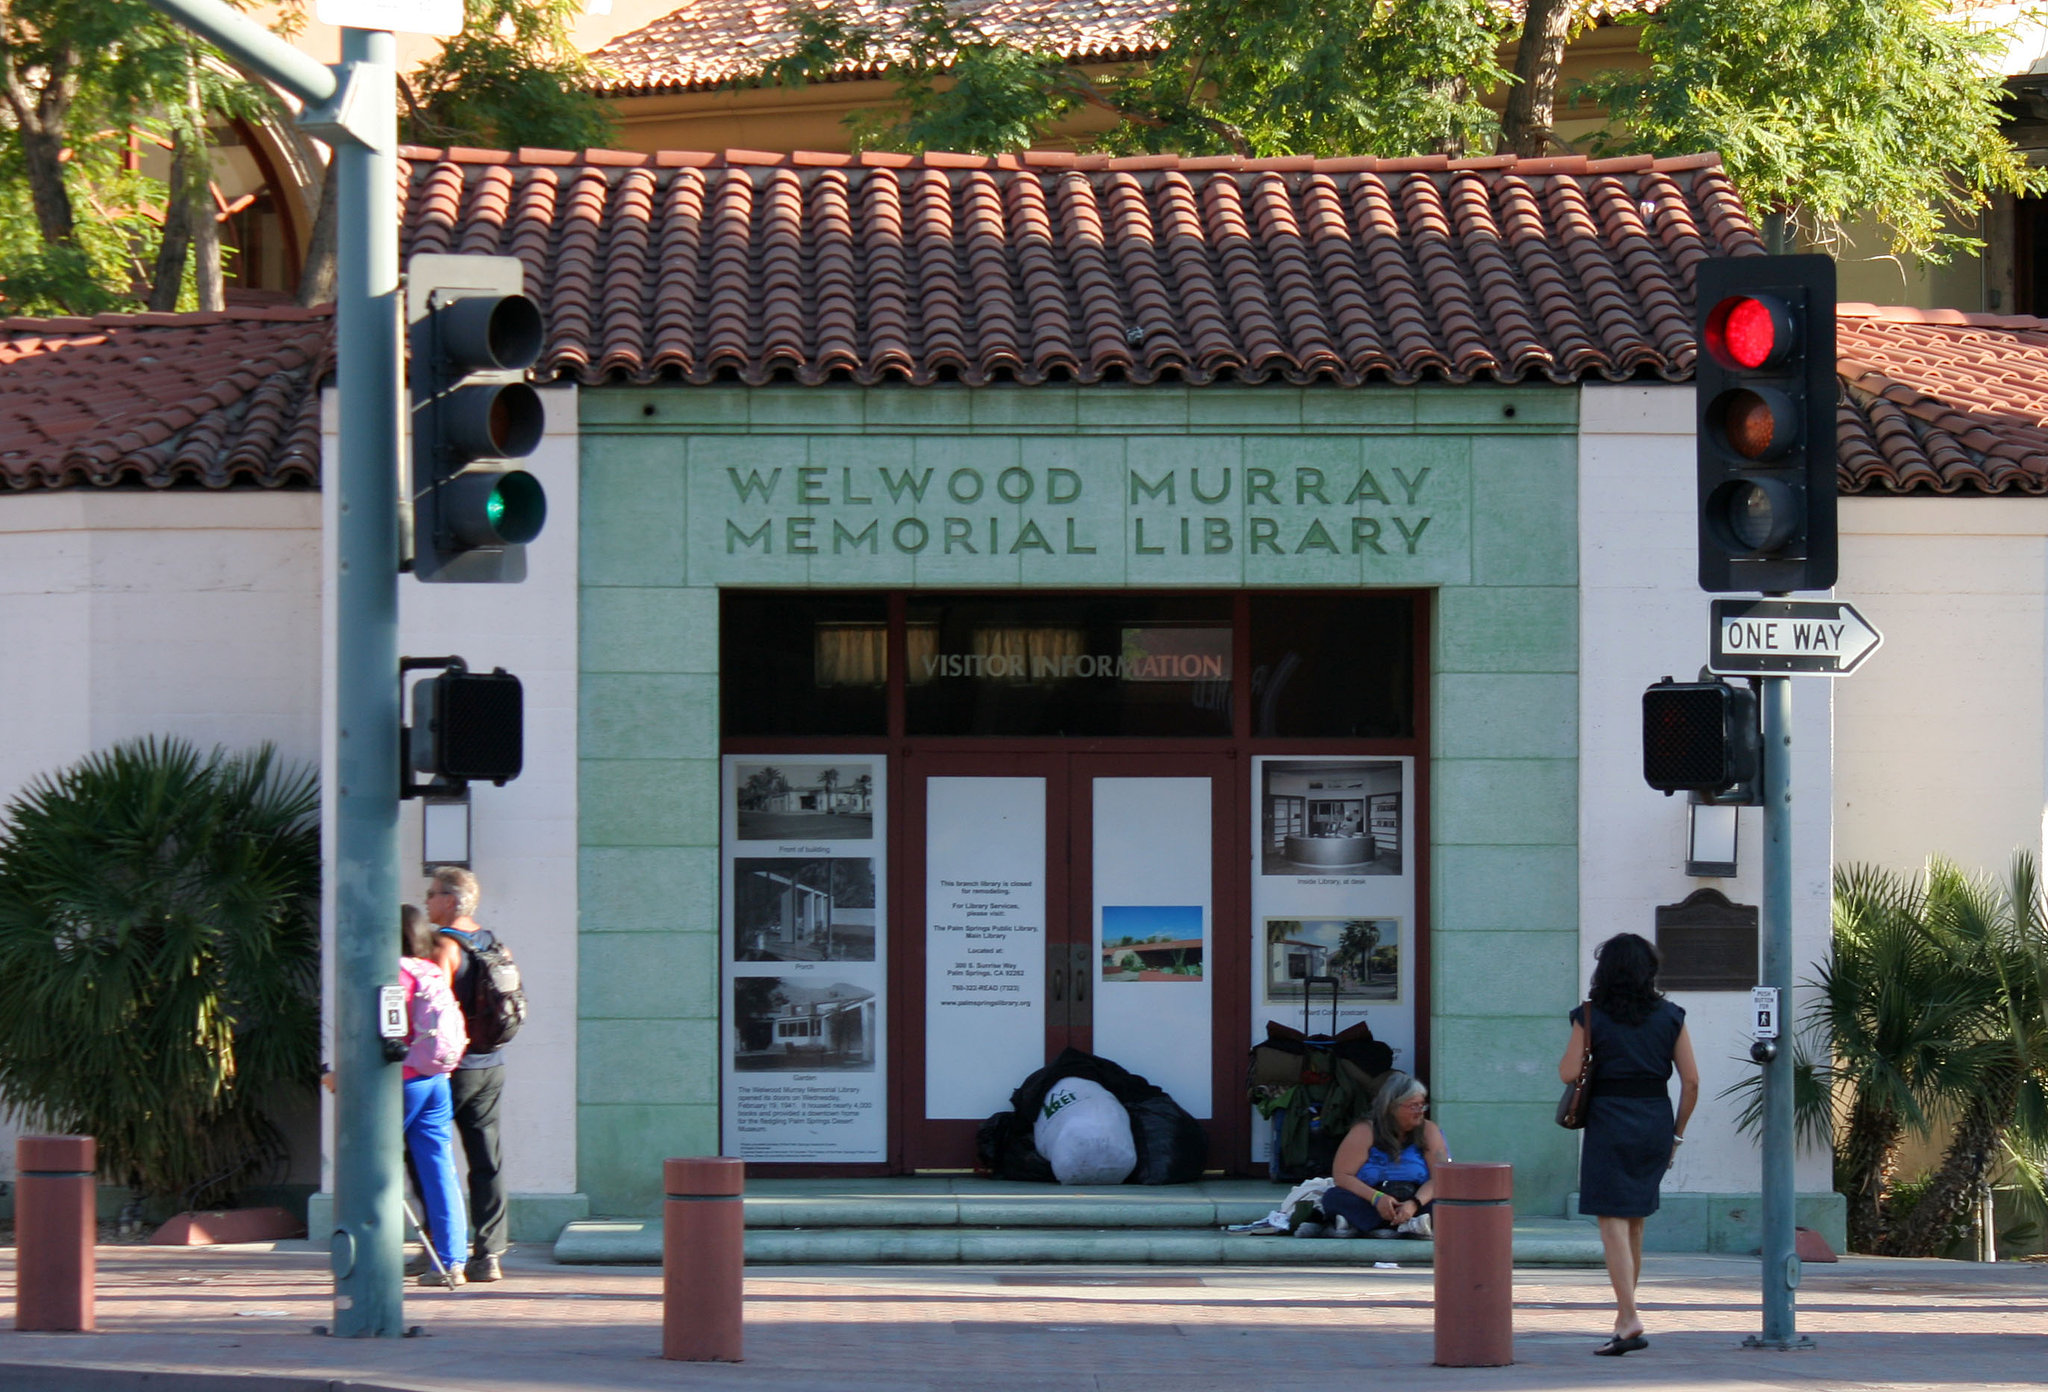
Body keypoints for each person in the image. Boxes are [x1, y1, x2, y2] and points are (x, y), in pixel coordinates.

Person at [1560, 931, 1700, 1357]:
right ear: (1649, 972)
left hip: (1609, 1117)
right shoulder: (1672, 1015)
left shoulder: (1589, 1015)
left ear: (1606, 971)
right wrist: (1676, 1133)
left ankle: (1629, 1315)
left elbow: (1568, 1073)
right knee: (1635, 1220)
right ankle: (1624, 1320)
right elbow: (1691, 1082)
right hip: (1655, 1118)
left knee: (1611, 1224)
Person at [427, 866, 512, 1283]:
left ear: (450, 901)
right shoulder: (494, 943)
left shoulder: (445, 946)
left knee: (425, 1154)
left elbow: (435, 1009)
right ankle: (490, 1253)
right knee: (486, 1160)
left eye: (432, 894)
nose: (427, 900)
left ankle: (438, 1246)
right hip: (491, 1064)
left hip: (454, 1068)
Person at [400, 905, 470, 1286]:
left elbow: (387, 1032)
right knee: (440, 1168)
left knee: (368, 1165)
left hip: (404, 1080)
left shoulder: (393, 972)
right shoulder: (429, 968)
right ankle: (452, 1262)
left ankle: (367, 1259)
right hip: (437, 1078)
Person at [1312, 1072, 1449, 1238]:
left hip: (1416, 1198)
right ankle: (1407, 1225)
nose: (1420, 1111)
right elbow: (1342, 1176)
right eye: (1413, 1106)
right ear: (1392, 1107)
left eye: (1422, 1106)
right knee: (1333, 1198)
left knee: (1447, 1201)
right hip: (1373, 1197)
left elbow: (1440, 1176)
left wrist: (1414, 1203)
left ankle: (1373, 1225)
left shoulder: (1429, 1130)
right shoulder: (1365, 1131)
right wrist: (1377, 1198)